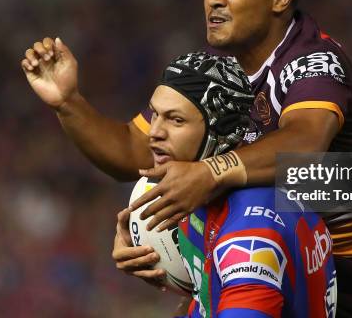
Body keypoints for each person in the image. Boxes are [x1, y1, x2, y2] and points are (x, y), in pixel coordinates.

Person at [21, 0, 352, 317]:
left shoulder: (313, 62)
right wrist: (68, 104)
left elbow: (305, 145)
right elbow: (136, 151)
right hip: (291, 269)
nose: (213, 0)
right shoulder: (215, 75)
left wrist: (208, 173)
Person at [114, 52, 337, 317]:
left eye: (176, 120)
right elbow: (210, 296)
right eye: (156, 115)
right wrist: (152, 252)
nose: (155, 132)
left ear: (219, 130)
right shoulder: (198, 196)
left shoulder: (250, 236)